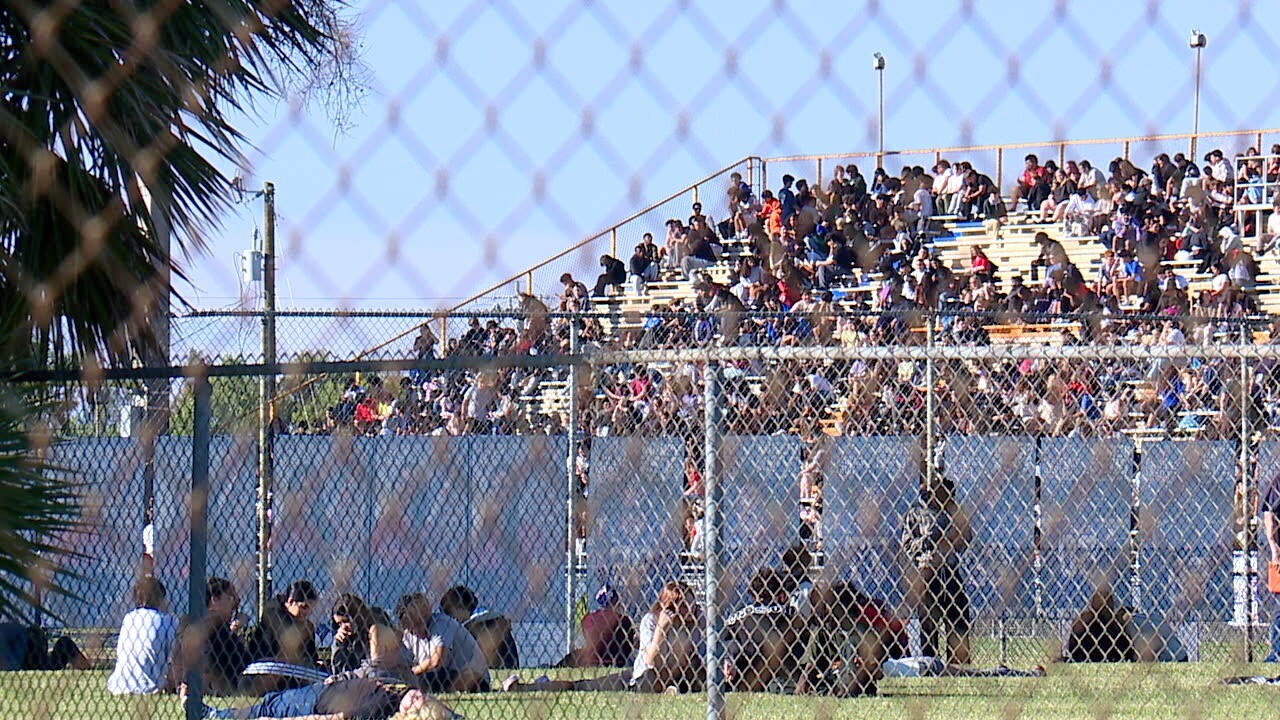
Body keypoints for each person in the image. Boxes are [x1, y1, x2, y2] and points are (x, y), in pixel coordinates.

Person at [188, 624, 460, 720]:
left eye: (415, 705)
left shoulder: (379, 706)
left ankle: (212, 715)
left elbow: (332, 719)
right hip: (326, 687)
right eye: (422, 699)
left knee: (267, 708)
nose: (417, 697)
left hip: (312, 703)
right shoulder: (400, 686)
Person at [504, 581, 702, 694]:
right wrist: (661, 630)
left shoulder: (693, 626)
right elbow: (651, 661)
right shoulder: (652, 621)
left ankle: (671, 688)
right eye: (684, 607)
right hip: (642, 678)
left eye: (692, 606)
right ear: (669, 608)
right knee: (582, 685)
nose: (690, 611)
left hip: (678, 677)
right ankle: (530, 687)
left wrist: (702, 620)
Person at [902, 475, 972, 665]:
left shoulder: (953, 511)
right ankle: (930, 661)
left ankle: (959, 662)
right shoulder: (916, 513)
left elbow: (966, 539)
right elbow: (908, 546)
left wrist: (953, 536)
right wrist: (929, 539)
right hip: (927, 570)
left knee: (958, 615)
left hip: (949, 569)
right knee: (928, 620)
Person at [722, 567, 803, 692]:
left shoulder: (740, 617)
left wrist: (728, 658)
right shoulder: (791, 616)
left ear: (754, 596)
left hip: (745, 681)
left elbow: (724, 640)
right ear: (781, 594)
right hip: (785, 680)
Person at [396, 592, 490, 693]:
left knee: (428, 678)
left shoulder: (442, 623)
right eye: (409, 627)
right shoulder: (409, 635)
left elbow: (436, 662)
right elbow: (402, 663)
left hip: (474, 679)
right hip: (441, 676)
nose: (415, 631)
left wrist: (411, 672)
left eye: (417, 623)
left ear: (425, 614)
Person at [107, 576, 178, 695]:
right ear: (160, 599)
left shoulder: (129, 618)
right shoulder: (167, 621)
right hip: (151, 686)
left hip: (119, 685)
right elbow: (174, 655)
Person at [439, 585, 519, 669]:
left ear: (459, 607)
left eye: (449, 612)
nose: (450, 618)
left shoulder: (477, 624)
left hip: (499, 665)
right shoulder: (488, 619)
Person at [250, 580, 320, 669]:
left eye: (311, 608)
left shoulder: (307, 626)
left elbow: (311, 656)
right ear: (291, 601)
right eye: (304, 607)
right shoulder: (273, 615)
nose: (307, 612)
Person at [0, 623, 89, 672]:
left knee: (64, 643)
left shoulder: (8, 628)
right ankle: (86, 669)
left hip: (30, 658)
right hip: (29, 661)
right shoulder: (7, 629)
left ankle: (86, 668)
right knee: (65, 643)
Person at [329, 593, 375, 675]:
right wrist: (338, 644)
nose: (343, 627)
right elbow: (337, 671)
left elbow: (372, 666)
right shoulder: (347, 638)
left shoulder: (372, 632)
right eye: (339, 624)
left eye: (346, 621)